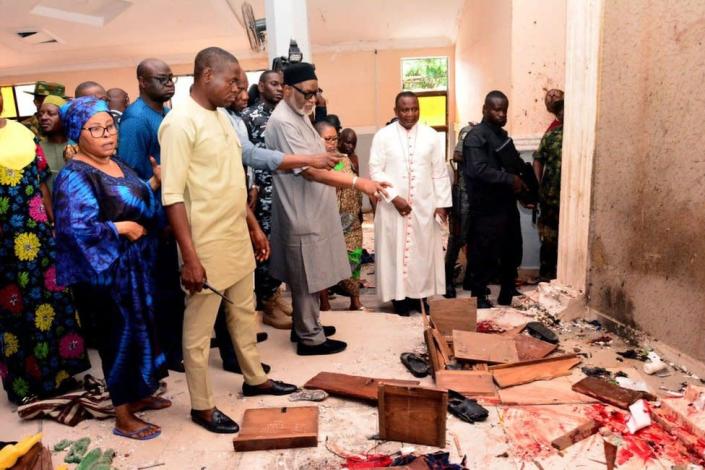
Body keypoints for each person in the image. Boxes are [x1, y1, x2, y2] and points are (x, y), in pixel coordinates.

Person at [159, 47, 299, 434]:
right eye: (233, 80)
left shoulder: (222, 117)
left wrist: (253, 227)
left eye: (240, 81)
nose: (239, 88)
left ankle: (256, 380)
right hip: (204, 243)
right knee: (199, 331)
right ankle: (201, 406)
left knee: (243, 313)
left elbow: (232, 181)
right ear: (206, 76)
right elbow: (171, 195)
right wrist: (189, 258)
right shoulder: (179, 124)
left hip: (236, 234)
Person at [53, 96, 168, 440]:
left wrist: (154, 185)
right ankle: (122, 414)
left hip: (133, 270)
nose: (107, 135)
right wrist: (122, 229)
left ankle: (140, 394)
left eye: (110, 127)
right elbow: (76, 229)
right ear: (77, 133)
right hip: (104, 276)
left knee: (141, 333)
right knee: (116, 340)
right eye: (96, 129)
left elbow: (127, 199)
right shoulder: (74, 176)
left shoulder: (116, 162)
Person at [265, 62, 388, 355]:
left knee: (311, 270)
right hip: (300, 210)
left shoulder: (299, 113)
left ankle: (305, 325)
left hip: (313, 206)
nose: (312, 99)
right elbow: (311, 171)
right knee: (306, 274)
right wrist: (359, 182)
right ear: (286, 89)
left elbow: (316, 156)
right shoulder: (282, 122)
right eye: (307, 93)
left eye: (315, 93)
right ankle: (311, 339)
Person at [0, 92, 90, 405]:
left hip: (38, 234)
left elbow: (40, 184)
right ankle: (26, 385)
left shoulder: (23, 133)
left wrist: (51, 222)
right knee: (15, 310)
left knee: (51, 302)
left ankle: (62, 375)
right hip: (4, 246)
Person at [118, 58, 185, 372]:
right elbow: (130, 178)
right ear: (142, 81)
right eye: (161, 78)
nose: (169, 83)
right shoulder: (135, 121)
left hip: (171, 213)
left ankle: (175, 348)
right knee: (160, 292)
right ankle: (166, 356)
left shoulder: (166, 113)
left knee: (171, 289)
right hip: (153, 221)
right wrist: (156, 219)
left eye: (171, 77)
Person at [369, 91, 452, 315]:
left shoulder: (432, 136)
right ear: (396, 111)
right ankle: (399, 299)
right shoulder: (382, 136)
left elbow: (439, 172)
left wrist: (442, 204)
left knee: (422, 253)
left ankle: (419, 296)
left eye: (414, 109)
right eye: (404, 109)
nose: (410, 113)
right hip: (392, 208)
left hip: (424, 205)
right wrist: (394, 197)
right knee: (394, 251)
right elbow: (375, 170)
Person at [464, 90, 526, 308]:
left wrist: (524, 191)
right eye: (496, 109)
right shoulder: (475, 136)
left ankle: (508, 289)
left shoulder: (502, 136)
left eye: (504, 110)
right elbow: (478, 170)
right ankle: (478, 296)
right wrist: (510, 180)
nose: (501, 114)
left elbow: (514, 165)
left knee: (512, 248)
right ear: (485, 109)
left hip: (506, 204)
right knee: (483, 253)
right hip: (486, 207)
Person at [241, 70, 292, 329]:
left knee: (281, 243)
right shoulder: (248, 116)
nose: (279, 89)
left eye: (282, 84)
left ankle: (276, 294)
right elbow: (244, 156)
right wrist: (251, 187)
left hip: (285, 188)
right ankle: (268, 302)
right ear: (261, 86)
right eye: (273, 84)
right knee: (266, 245)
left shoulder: (285, 114)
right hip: (262, 193)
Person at [316, 122, 365, 311]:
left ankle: (355, 301)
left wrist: (359, 211)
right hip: (328, 220)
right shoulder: (315, 162)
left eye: (335, 138)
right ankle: (325, 303)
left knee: (354, 257)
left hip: (351, 219)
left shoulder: (345, 159)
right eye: (328, 139)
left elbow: (355, 188)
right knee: (324, 261)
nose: (333, 142)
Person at [533, 97, 564, 280]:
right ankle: (546, 277)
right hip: (550, 197)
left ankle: (565, 278)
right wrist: (538, 185)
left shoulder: (582, 135)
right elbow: (538, 158)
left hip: (575, 201)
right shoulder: (552, 135)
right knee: (548, 240)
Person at [444, 122, 475, 298]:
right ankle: (447, 280)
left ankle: (471, 278)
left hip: (480, 195)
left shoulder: (496, 134)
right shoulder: (468, 131)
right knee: (457, 238)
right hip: (462, 193)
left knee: (476, 239)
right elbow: (457, 155)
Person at [37, 95, 69, 190]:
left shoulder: (78, 146)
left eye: (50, 114)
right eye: (40, 114)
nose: (43, 118)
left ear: (64, 117)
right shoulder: (36, 149)